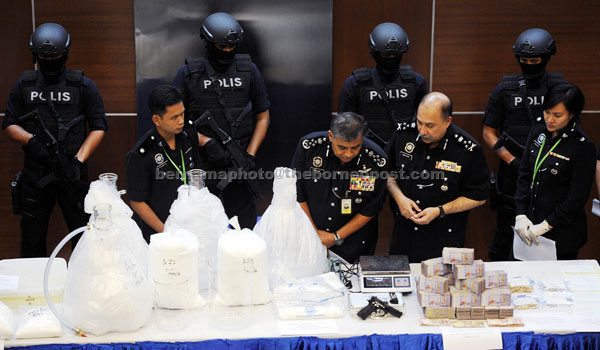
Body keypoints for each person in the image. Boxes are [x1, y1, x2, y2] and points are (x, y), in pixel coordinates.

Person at [3, 23, 108, 257]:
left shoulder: (82, 86)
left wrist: (78, 161)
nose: (50, 60)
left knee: (84, 238)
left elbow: (99, 127)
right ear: (35, 54)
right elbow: (9, 123)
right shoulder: (24, 85)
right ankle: (33, 290)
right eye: (43, 56)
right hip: (36, 173)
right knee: (32, 239)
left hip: (72, 171)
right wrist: (31, 141)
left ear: (66, 53)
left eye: (56, 55)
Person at [173, 12, 270, 229]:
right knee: (203, 224)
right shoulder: (189, 73)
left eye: (231, 47)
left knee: (245, 226)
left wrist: (249, 155)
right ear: (208, 43)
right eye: (221, 46)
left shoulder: (249, 70)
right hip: (203, 164)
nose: (227, 51)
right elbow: (175, 122)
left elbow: (263, 116)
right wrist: (206, 142)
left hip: (239, 162)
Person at [483, 28, 567, 261]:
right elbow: (489, 132)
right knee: (503, 235)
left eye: (535, 60)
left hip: (549, 172)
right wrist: (512, 161)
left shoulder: (560, 90)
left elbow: (569, 134)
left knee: (546, 236)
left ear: (547, 57)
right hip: (512, 173)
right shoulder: (505, 89)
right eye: (524, 60)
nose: (529, 64)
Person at [386, 92, 488, 263]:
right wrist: (399, 197)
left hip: (443, 238)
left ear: (448, 121)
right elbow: (386, 173)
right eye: (419, 122)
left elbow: (479, 196)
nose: (422, 130)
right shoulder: (404, 135)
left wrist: (440, 210)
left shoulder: (467, 149)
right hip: (404, 234)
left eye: (430, 125)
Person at [291, 112, 388, 263]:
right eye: (342, 147)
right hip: (309, 232)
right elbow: (297, 193)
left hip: (353, 241)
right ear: (331, 136)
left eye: (355, 147)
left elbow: (372, 207)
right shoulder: (309, 148)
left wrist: (336, 237)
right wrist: (314, 234)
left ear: (361, 137)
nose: (349, 154)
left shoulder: (376, 160)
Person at [514, 83, 595, 260]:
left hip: (561, 234)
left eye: (557, 115)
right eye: (547, 112)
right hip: (528, 227)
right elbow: (525, 174)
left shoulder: (582, 147)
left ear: (572, 114)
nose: (550, 119)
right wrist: (520, 213)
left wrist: (547, 225)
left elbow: (577, 198)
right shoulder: (537, 131)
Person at [126, 85, 201, 242]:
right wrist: (167, 233)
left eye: (182, 114)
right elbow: (137, 201)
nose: (181, 121)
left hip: (191, 224)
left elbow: (197, 173)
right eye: (174, 117)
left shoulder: (189, 135)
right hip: (160, 232)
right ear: (156, 119)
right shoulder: (141, 154)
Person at [338, 22, 427, 148]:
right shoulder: (355, 84)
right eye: (385, 55)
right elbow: (344, 128)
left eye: (395, 55)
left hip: (407, 151)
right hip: (366, 153)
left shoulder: (416, 82)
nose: (391, 58)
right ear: (374, 53)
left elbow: (426, 124)